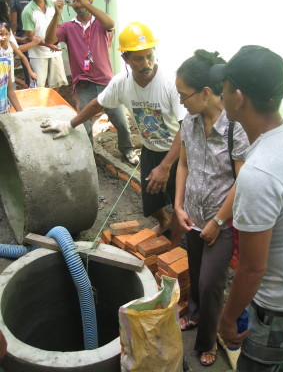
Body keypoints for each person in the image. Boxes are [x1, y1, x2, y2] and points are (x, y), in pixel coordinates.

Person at [41, 22, 186, 244]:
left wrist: (166, 166)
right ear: (125, 58)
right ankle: (164, 222)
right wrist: (69, 124)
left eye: (150, 56)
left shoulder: (169, 82)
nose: (146, 63)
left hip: (179, 152)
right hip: (150, 149)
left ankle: (176, 249)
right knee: (151, 201)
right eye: (138, 58)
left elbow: (185, 127)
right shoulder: (121, 83)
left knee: (180, 203)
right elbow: (97, 104)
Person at [209, 45, 283, 371]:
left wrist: (228, 318)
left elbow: (251, 269)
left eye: (226, 85)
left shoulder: (258, 174)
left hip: (275, 306)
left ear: (239, 98)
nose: (221, 91)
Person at [174, 49, 249, 367]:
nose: (181, 102)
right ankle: (193, 314)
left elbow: (242, 181)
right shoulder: (189, 123)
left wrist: (219, 221)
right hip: (192, 216)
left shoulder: (235, 129)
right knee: (194, 272)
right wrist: (178, 205)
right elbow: (183, 165)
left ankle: (206, 343)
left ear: (205, 93)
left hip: (222, 223)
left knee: (211, 283)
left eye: (184, 95)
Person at [44, 0, 137, 163]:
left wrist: (87, 5)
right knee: (83, 125)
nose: (78, 5)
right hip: (83, 84)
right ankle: (89, 156)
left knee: (121, 123)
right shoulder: (68, 26)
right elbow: (49, 39)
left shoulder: (100, 23)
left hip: (106, 82)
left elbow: (111, 23)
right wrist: (57, 14)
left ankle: (127, 149)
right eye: (74, 0)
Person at [21, 0, 68, 90]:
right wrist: (48, 44)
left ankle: (53, 105)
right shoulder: (28, 11)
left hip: (55, 52)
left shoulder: (53, 5)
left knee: (57, 83)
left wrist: (55, 43)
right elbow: (31, 37)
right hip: (38, 55)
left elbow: (59, 26)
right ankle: (38, 107)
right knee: (38, 86)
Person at [9, 0, 32, 87]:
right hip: (36, 37)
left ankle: (29, 85)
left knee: (25, 61)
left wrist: (12, 36)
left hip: (22, 37)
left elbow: (13, 22)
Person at [0, 21, 38, 86]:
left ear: (10, 35)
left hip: (10, 80)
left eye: (6, 34)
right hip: (1, 81)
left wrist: (30, 71)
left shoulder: (11, 45)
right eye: (1, 34)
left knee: (11, 93)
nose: (4, 37)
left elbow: (23, 57)